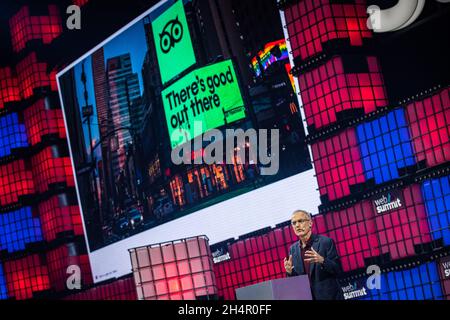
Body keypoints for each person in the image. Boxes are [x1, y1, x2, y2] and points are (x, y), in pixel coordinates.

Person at [284, 210, 344, 300]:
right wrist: (289, 272)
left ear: (310, 223)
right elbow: (297, 282)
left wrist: (322, 260)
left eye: (300, 221)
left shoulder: (325, 242)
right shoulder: (293, 249)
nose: (297, 225)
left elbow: (338, 269)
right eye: (294, 223)